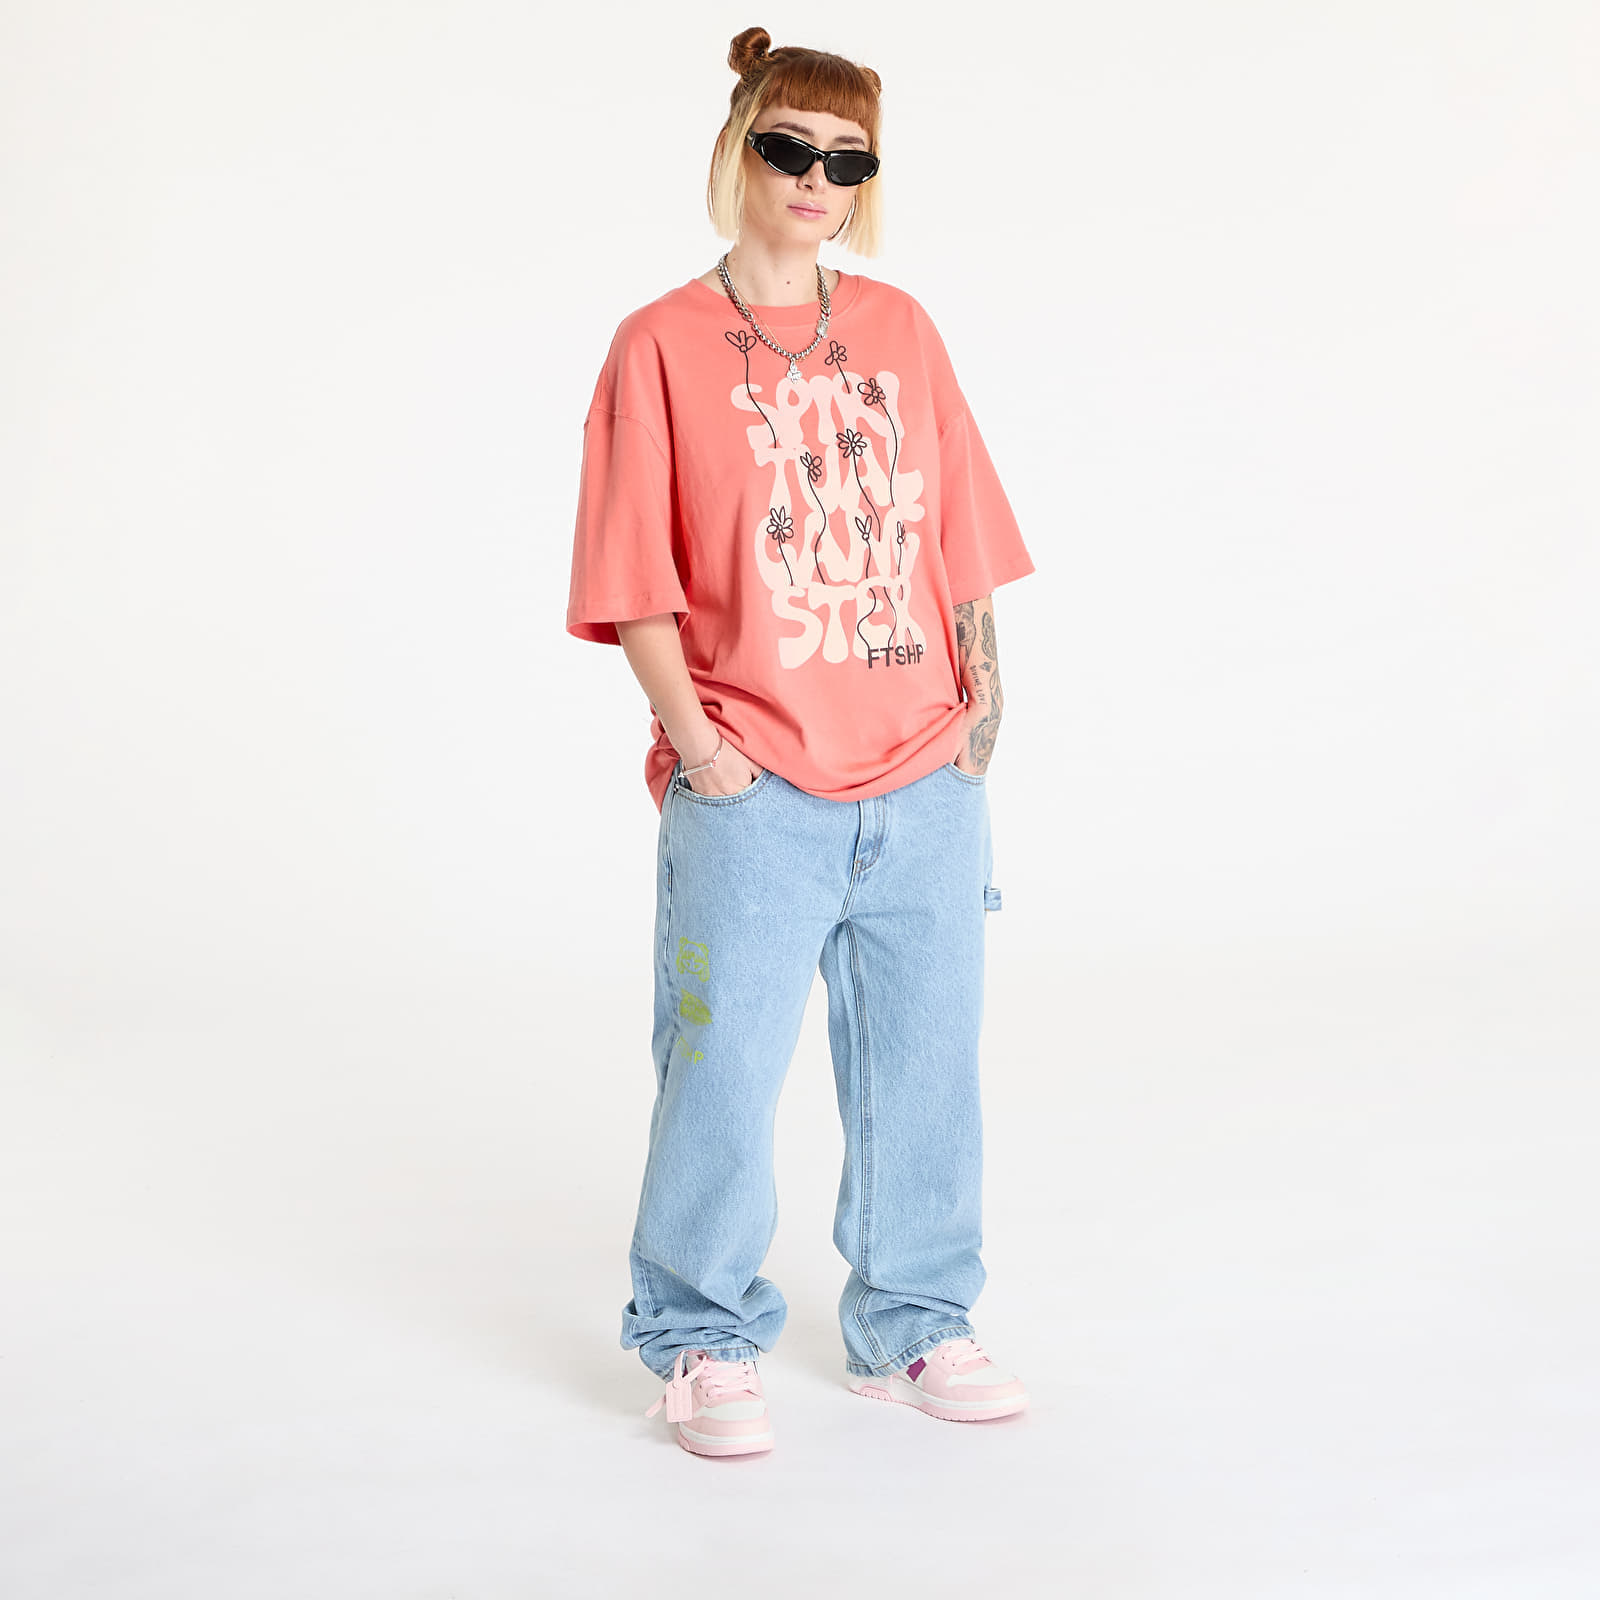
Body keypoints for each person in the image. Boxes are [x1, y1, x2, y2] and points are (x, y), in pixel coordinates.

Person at [566, 26, 1037, 1458]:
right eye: (789, 147)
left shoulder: (900, 328)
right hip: (755, 785)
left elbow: (961, 532)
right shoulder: (658, 344)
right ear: (738, 149)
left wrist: (985, 709)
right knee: (720, 1072)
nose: (817, 178)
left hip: (924, 774)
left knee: (925, 1071)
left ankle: (916, 1321)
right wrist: (702, 751)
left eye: (849, 160)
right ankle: (698, 1338)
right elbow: (633, 574)